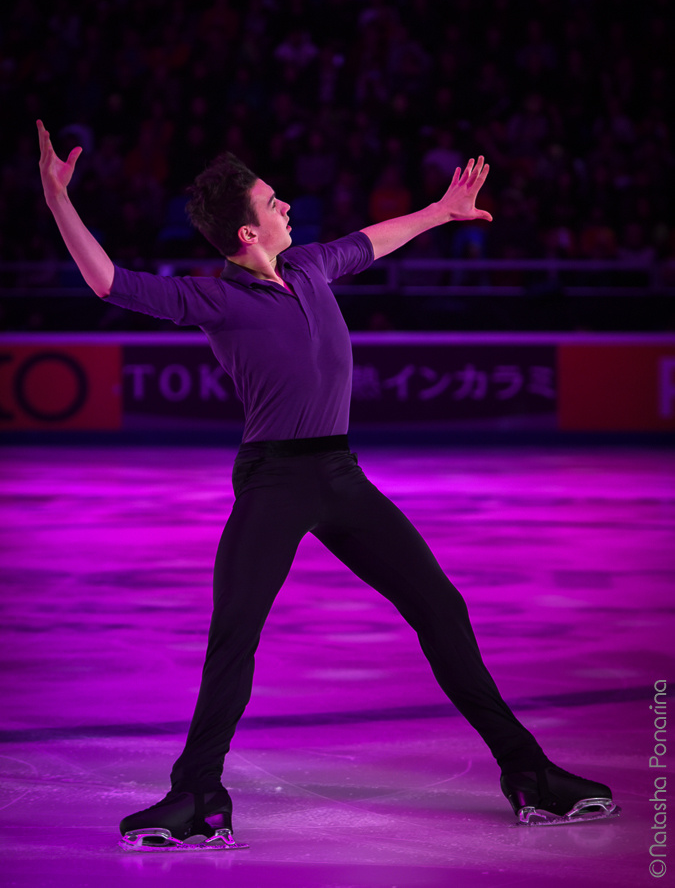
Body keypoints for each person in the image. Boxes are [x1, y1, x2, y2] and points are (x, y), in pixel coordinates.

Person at [37, 120, 618, 850]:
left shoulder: (310, 266)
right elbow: (108, 283)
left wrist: (441, 212)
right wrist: (59, 198)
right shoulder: (216, 300)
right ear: (247, 233)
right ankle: (197, 795)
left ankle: (527, 772)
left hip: (340, 474)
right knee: (235, 635)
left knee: (439, 605)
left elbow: (373, 238)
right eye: (273, 202)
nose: (288, 208)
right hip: (273, 480)